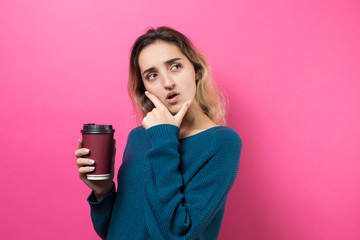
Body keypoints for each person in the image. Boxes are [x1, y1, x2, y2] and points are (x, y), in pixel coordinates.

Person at [75, 26, 242, 240]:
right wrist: (102, 191)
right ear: (144, 88)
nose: (167, 82)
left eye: (175, 66)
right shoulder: (139, 137)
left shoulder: (221, 143)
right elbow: (116, 230)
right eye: (152, 75)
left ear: (196, 70)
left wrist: (164, 138)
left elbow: (176, 233)